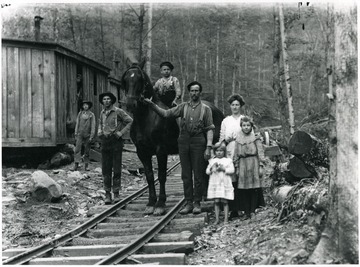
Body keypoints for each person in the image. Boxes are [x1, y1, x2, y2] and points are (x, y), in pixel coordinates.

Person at [144, 81, 214, 214]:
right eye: (192, 91)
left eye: (196, 90)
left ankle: (197, 202)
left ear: (200, 92)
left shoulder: (206, 109)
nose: (194, 93)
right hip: (183, 141)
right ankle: (188, 203)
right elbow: (165, 114)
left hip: (199, 141)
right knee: (186, 175)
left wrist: (209, 146)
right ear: (189, 93)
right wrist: (152, 105)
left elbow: (210, 128)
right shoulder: (182, 107)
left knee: (198, 174)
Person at [98, 92, 133, 204]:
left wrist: (121, 133)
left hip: (116, 141)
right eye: (104, 99)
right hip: (105, 141)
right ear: (102, 101)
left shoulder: (118, 111)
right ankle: (107, 194)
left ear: (112, 100)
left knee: (116, 168)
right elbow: (100, 123)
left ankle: (116, 193)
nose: (106, 101)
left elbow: (130, 121)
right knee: (105, 169)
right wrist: (99, 131)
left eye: (108, 99)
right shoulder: (102, 112)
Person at [219, 94, 246, 219]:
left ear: (240, 106)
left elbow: (250, 134)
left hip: (243, 151)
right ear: (230, 106)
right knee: (231, 180)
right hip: (230, 150)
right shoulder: (226, 121)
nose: (235, 107)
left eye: (237, 105)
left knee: (242, 179)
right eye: (233, 105)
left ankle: (243, 207)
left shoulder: (244, 119)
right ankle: (233, 209)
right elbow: (221, 139)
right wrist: (224, 141)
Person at [235, 116, 266, 219]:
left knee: (254, 188)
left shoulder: (255, 138)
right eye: (244, 125)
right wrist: (237, 167)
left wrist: (261, 166)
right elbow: (236, 154)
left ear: (251, 126)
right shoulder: (238, 139)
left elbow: (260, 152)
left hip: (254, 163)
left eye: (248, 125)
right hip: (243, 163)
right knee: (244, 190)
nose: (246, 127)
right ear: (241, 127)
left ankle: (253, 211)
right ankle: (246, 212)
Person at [206, 142, 235, 224]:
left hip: (224, 183)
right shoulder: (212, 161)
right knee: (217, 201)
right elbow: (207, 172)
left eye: (221, 151)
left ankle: (226, 219)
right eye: (217, 151)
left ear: (224, 152)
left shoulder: (228, 161)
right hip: (215, 183)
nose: (219, 152)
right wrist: (211, 168)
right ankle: (217, 219)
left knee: (225, 201)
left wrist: (224, 169)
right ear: (214, 152)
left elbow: (232, 170)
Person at [71, 100, 96, 171]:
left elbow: (93, 125)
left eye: (86, 105)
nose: (85, 106)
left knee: (87, 150)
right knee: (77, 149)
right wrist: (76, 132)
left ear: (89, 106)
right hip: (80, 134)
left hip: (87, 135)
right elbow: (77, 123)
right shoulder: (80, 114)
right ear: (82, 106)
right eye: (84, 105)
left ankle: (86, 165)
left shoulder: (91, 115)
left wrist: (92, 135)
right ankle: (76, 164)